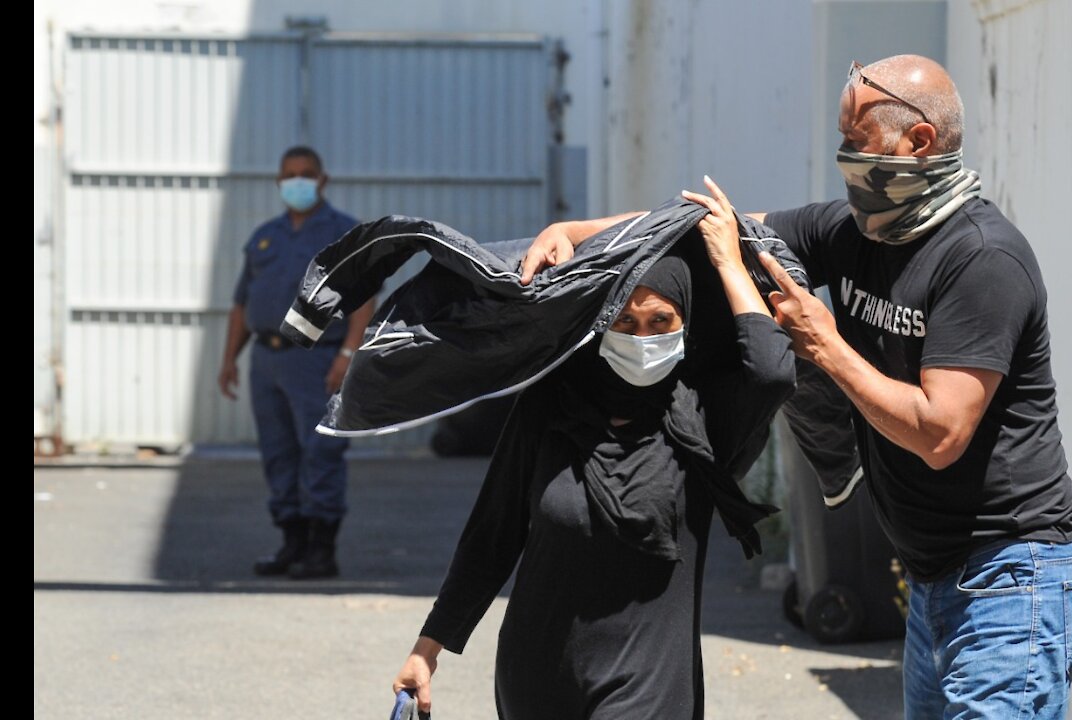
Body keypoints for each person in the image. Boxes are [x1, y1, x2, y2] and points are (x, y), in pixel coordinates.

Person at [519, 55, 1072, 719]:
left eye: (856, 138)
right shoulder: (853, 234)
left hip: (1010, 576)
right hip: (935, 574)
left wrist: (827, 347)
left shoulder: (981, 260)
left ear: (919, 142)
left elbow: (941, 433)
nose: (843, 154)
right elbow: (713, 227)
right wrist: (572, 233)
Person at [392, 191, 796, 718]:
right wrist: (428, 648)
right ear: (600, 324)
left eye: (660, 322)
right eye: (625, 323)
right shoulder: (552, 406)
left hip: (649, 685)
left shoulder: (703, 421)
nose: (642, 337)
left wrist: (725, 259)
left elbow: (771, 371)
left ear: (686, 326)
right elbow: (493, 534)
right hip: (536, 679)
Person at [218, 145, 374, 580]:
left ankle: (322, 550)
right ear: (278, 181)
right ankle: (292, 542)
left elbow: (364, 300)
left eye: (306, 173)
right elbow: (241, 303)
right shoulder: (265, 236)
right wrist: (229, 359)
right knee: (278, 454)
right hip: (266, 361)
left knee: (321, 452)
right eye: (290, 175)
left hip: (317, 358)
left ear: (323, 179)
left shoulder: (343, 233)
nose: (298, 181)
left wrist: (348, 355)